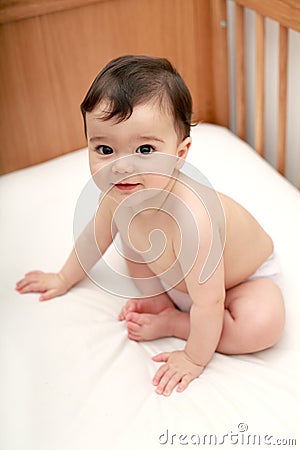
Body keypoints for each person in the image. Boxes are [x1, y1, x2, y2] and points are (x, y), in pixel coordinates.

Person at [16, 55, 285, 396]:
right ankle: (161, 303)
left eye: (144, 149)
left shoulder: (194, 219)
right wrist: (63, 277)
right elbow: (94, 239)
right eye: (104, 149)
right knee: (131, 241)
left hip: (240, 281)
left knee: (263, 326)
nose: (122, 166)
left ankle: (175, 321)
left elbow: (211, 302)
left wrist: (192, 358)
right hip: (181, 280)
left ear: (180, 153)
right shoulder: (117, 197)